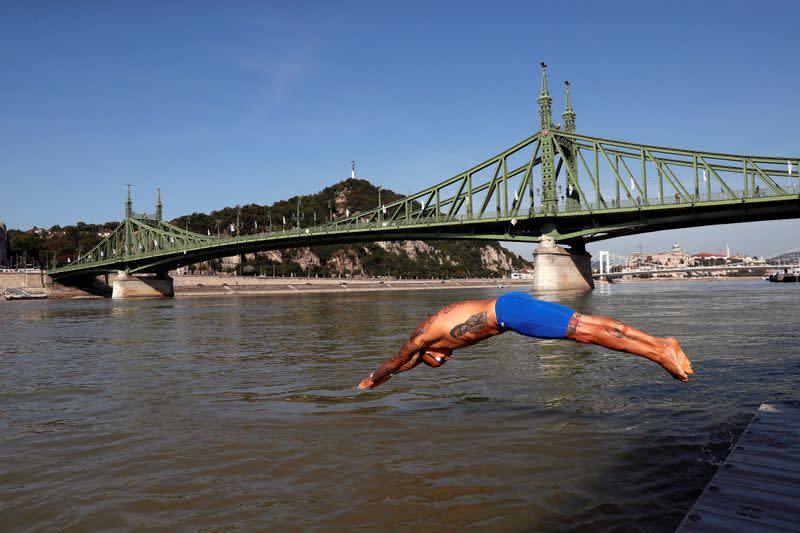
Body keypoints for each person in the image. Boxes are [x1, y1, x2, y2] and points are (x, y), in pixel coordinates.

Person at [357, 292, 694, 389]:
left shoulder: (422, 338)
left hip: (509, 314)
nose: (444, 361)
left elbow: (398, 359)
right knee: (588, 325)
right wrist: (394, 375)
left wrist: (372, 379)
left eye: (436, 361)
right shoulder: (432, 333)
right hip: (510, 303)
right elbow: (405, 365)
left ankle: (659, 353)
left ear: (426, 352)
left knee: (588, 334)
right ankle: (661, 344)